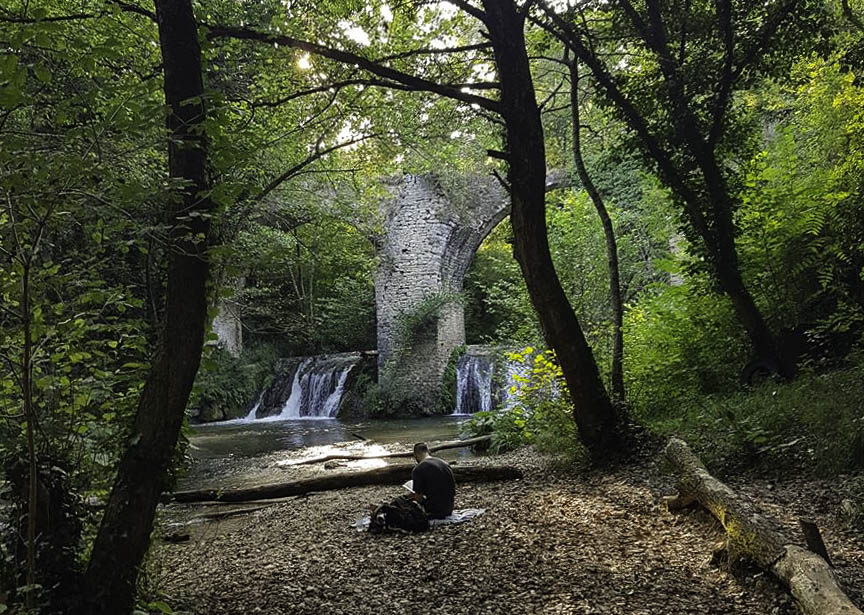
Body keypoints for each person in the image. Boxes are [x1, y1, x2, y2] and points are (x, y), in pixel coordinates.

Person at [409, 442, 455, 520]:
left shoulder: (418, 469)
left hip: (435, 511)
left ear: (415, 455)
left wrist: (413, 495)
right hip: (449, 508)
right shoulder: (444, 463)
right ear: (428, 451)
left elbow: (418, 497)